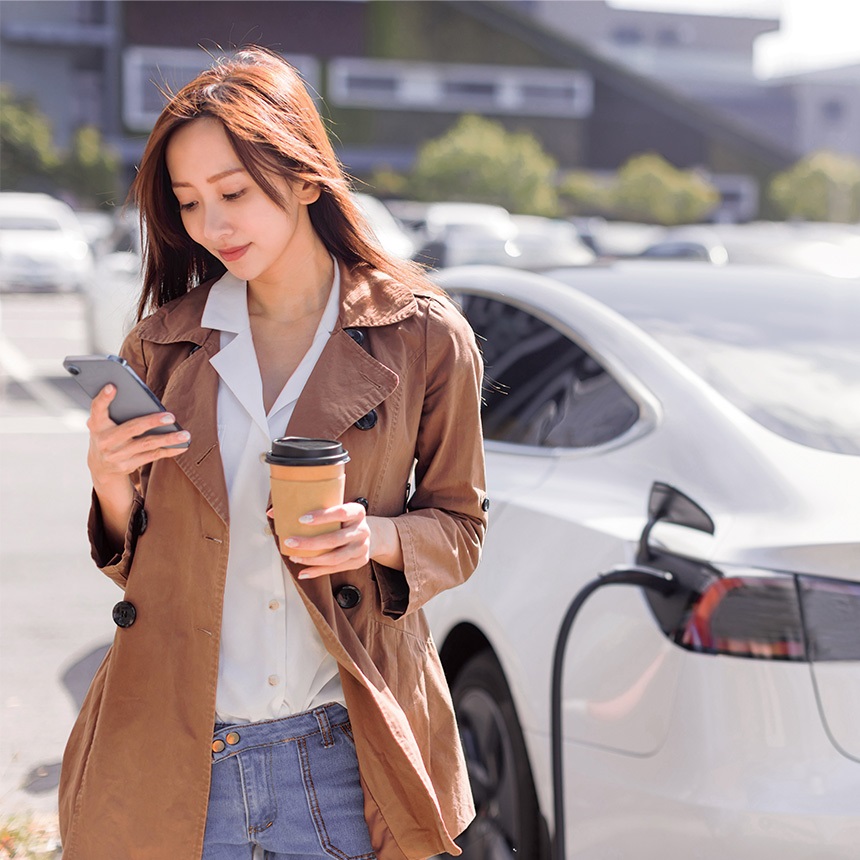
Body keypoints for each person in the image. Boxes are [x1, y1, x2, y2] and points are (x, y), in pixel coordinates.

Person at [59, 46, 487, 860]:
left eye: (233, 193)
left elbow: (461, 527)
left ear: (302, 177)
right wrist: (112, 486)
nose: (211, 226)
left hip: (344, 756)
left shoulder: (422, 336)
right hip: (176, 756)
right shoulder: (164, 345)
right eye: (188, 203)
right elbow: (138, 569)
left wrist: (378, 539)